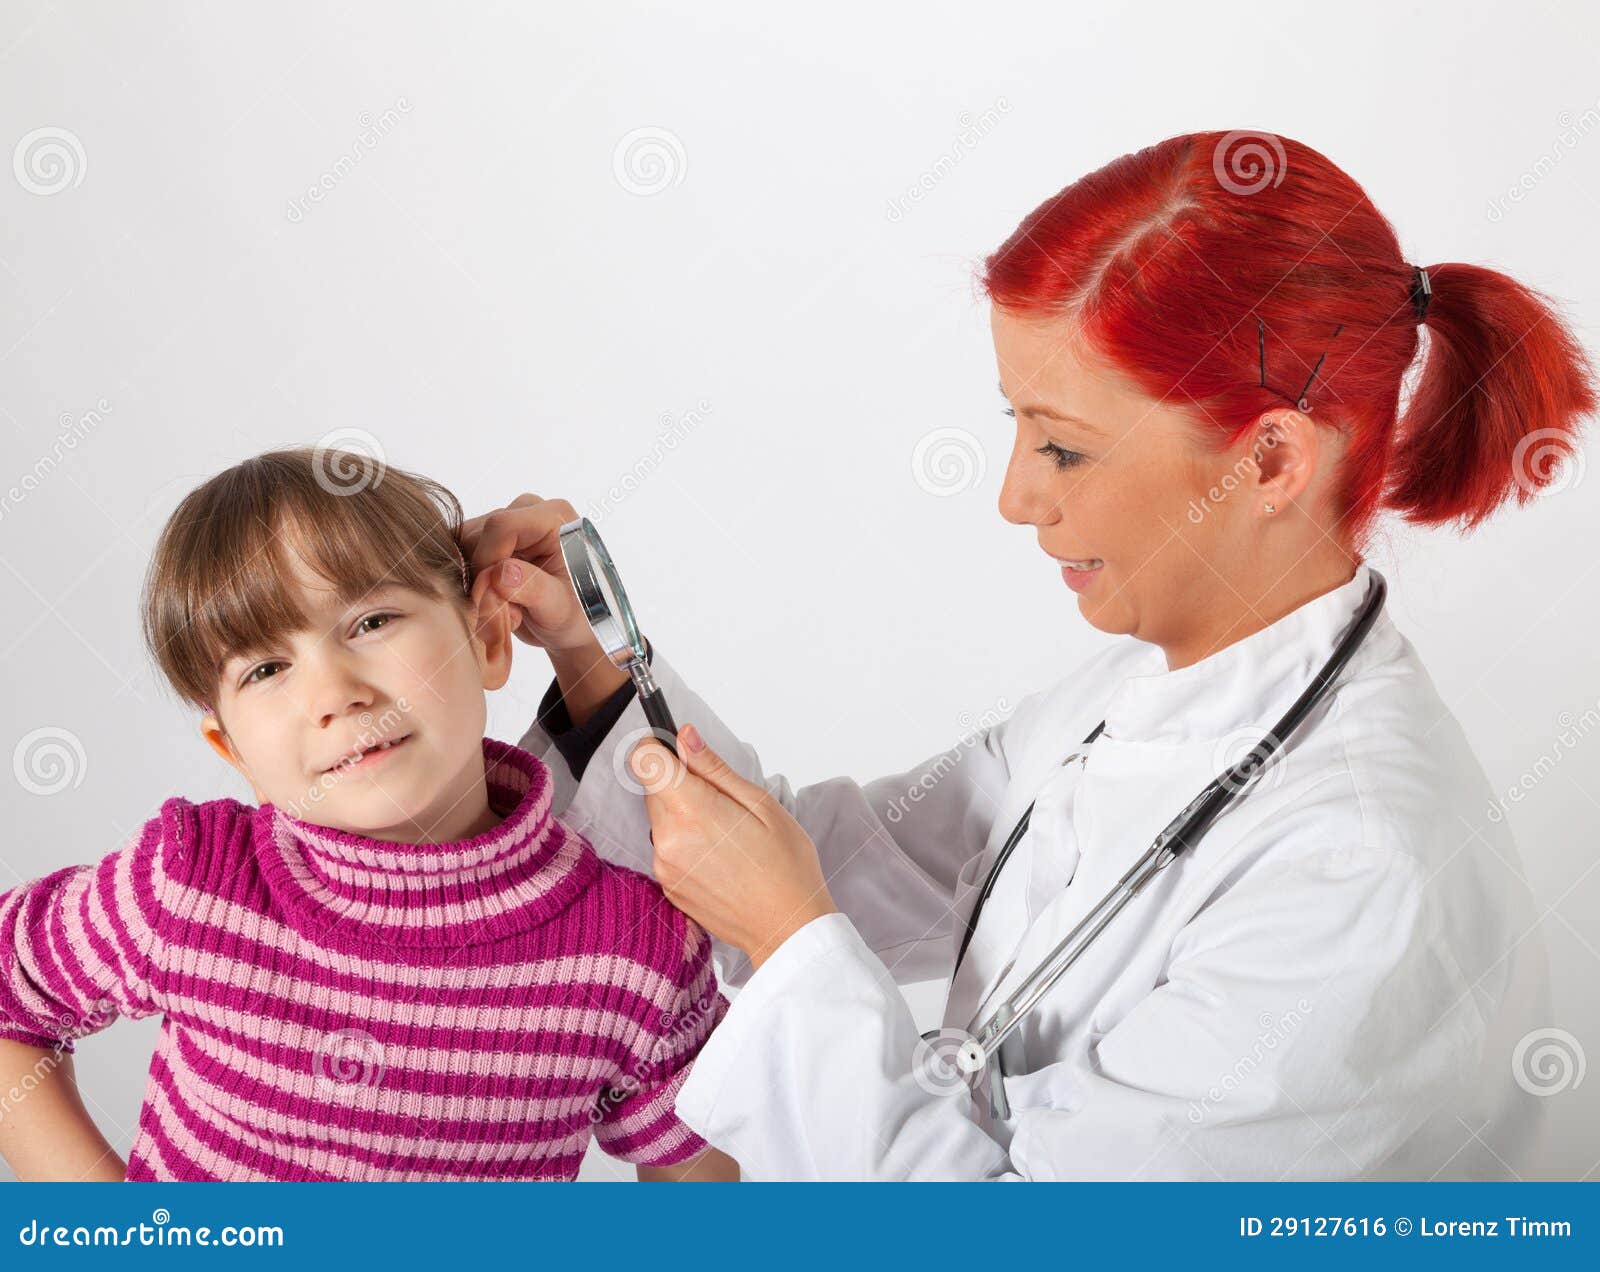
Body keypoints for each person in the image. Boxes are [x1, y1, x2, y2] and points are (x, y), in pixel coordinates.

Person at [466, 131, 1596, 1180]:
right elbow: (838, 869)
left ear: (1265, 464)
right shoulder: (1137, 693)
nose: (1013, 498)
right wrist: (592, 655)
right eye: (1013, 425)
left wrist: (785, 935)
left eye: (1063, 446)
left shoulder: (1361, 872)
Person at [0, 448, 737, 1182]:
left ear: (484, 638)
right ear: (232, 751)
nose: (335, 693)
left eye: (372, 621)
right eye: (266, 669)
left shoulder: (639, 951)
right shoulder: (191, 879)